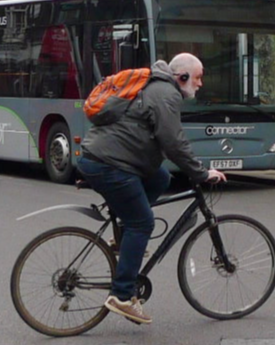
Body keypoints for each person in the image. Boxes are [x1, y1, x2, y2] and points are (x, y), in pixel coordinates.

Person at [75, 53, 227, 325]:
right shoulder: (166, 94)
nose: (200, 84)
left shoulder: (158, 87)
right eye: (197, 77)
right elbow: (173, 142)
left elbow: (165, 141)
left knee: (160, 178)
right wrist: (201, 172)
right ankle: (121, 295)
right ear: (181, 77)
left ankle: (122, 235)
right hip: (108, 163)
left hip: (111, 158)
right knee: (142, 223)